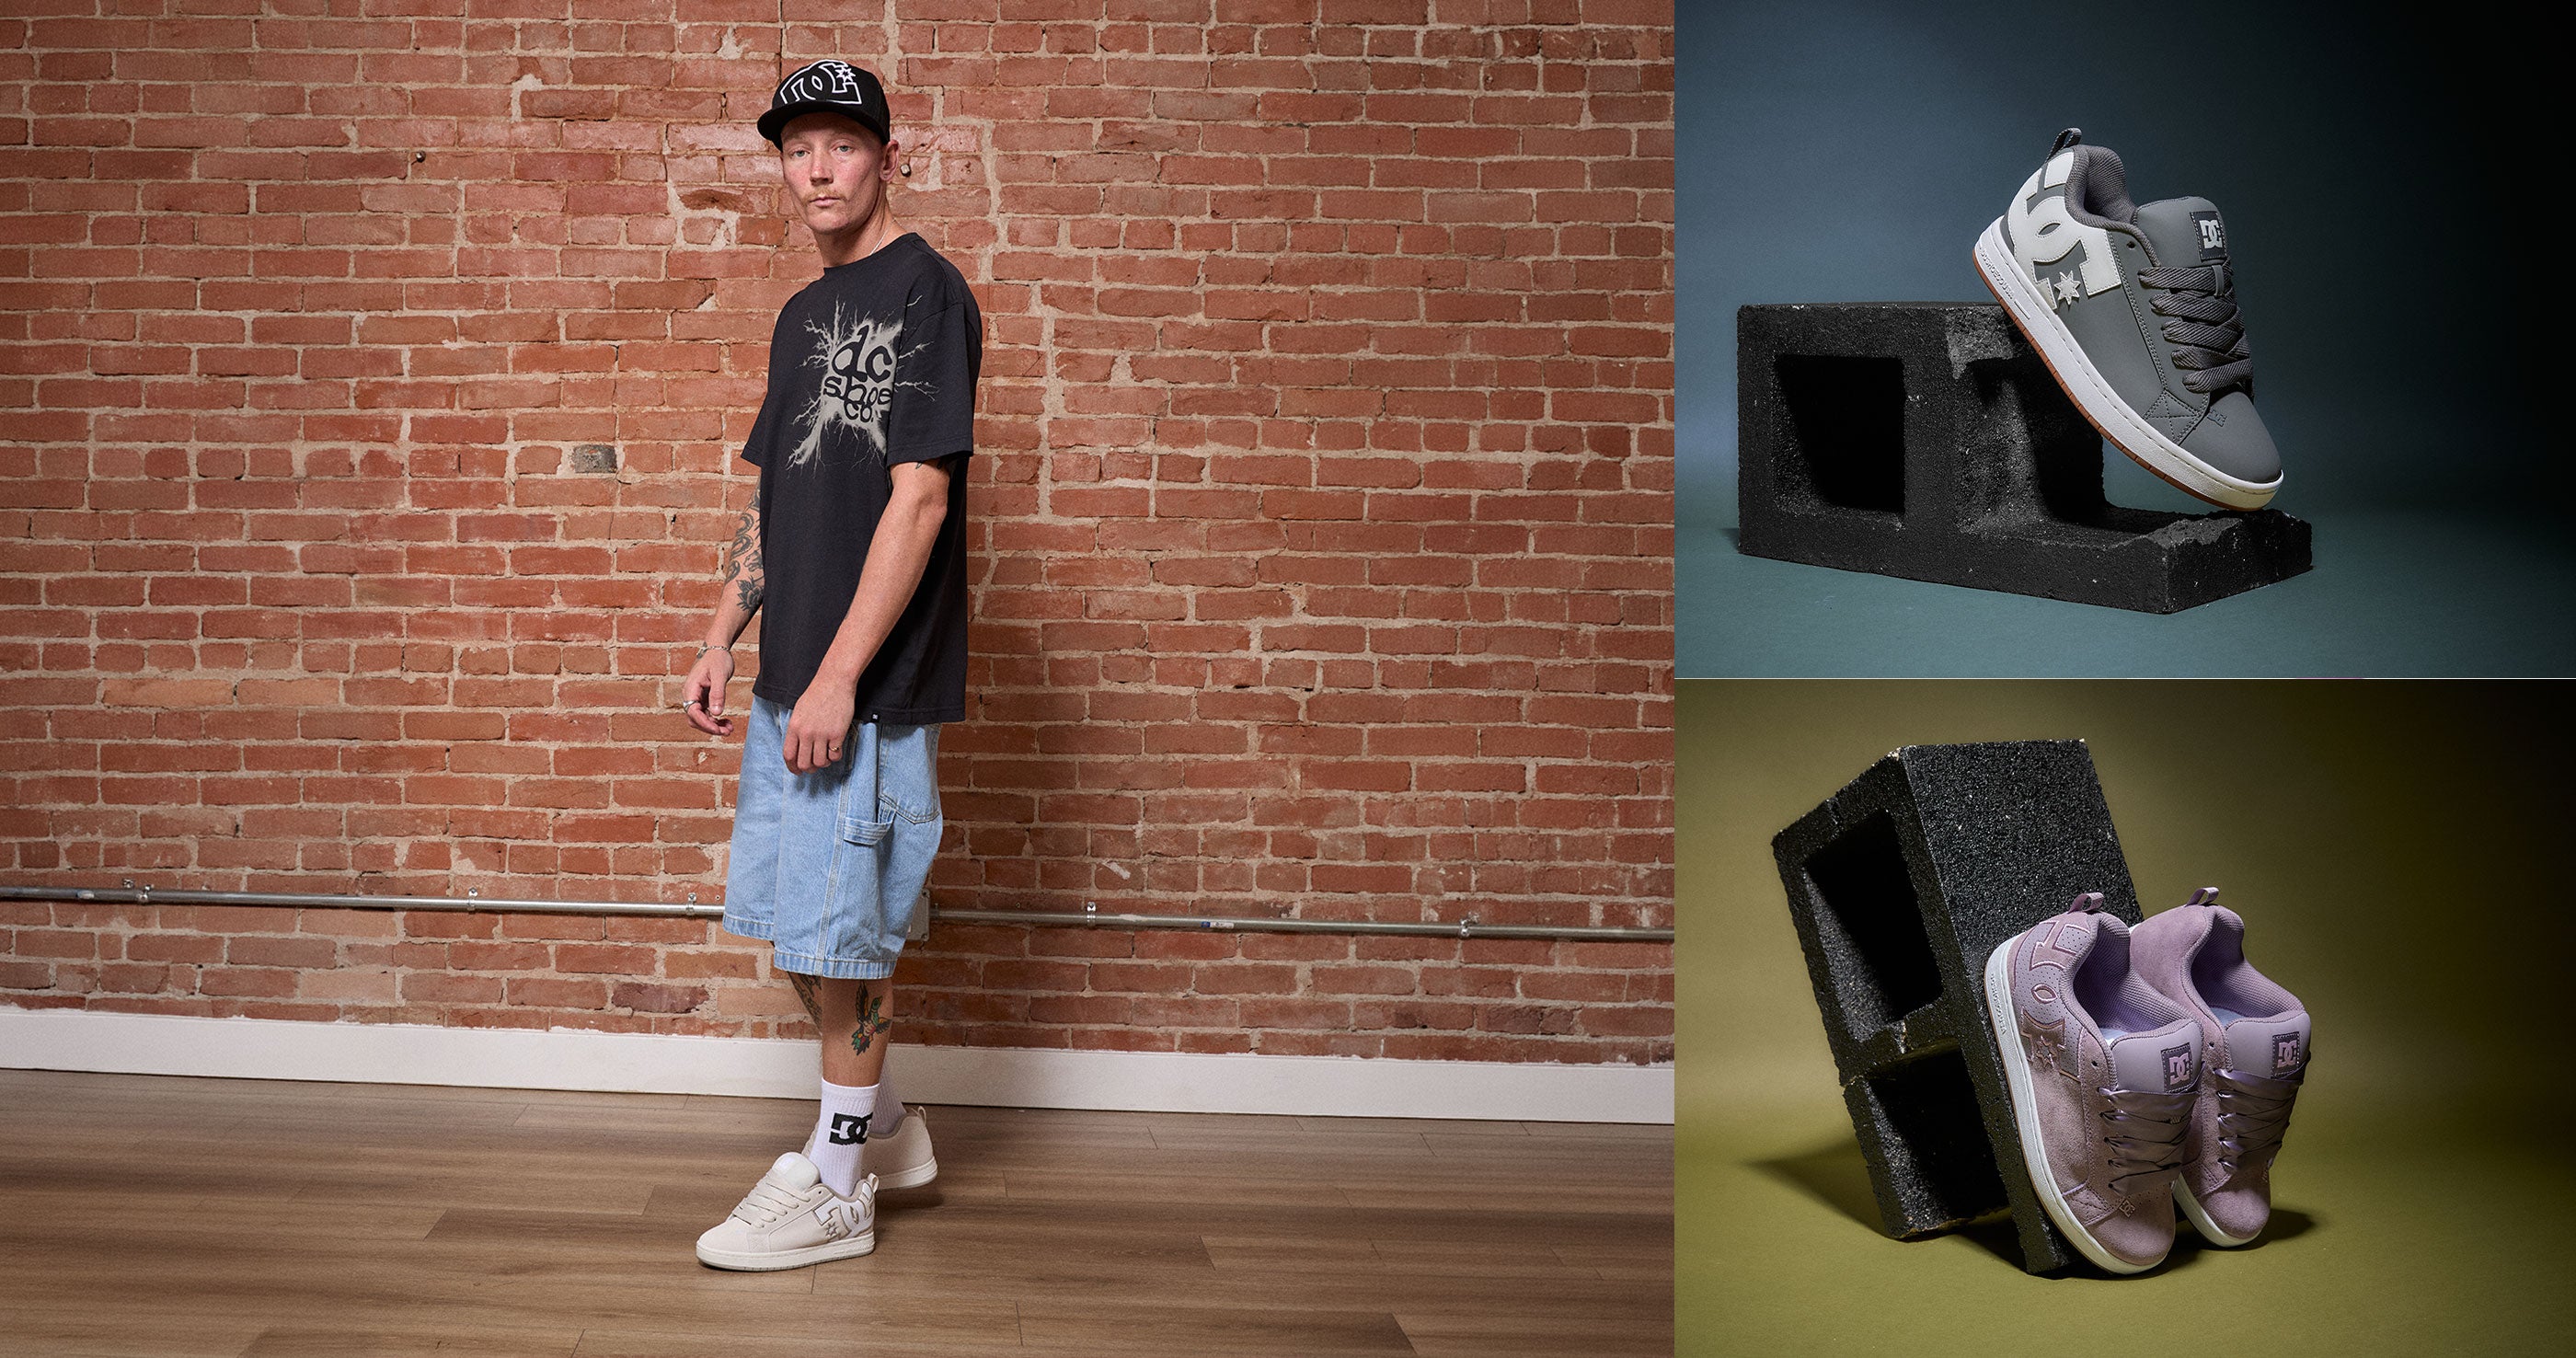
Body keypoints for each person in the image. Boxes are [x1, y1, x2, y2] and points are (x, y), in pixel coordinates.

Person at [677, 58, 982, 1272]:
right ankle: (891, 1133)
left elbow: (919, 498)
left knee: (843, 940)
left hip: (865, 689)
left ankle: (841, 1185)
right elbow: (779, 496)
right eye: (796, 148)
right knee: (803, 937)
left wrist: (843, 677)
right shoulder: (803, 315)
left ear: (887, 159)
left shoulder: (928, 294)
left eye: (841, 146)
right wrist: (720, 632)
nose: (815, 168)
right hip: (788, 677)